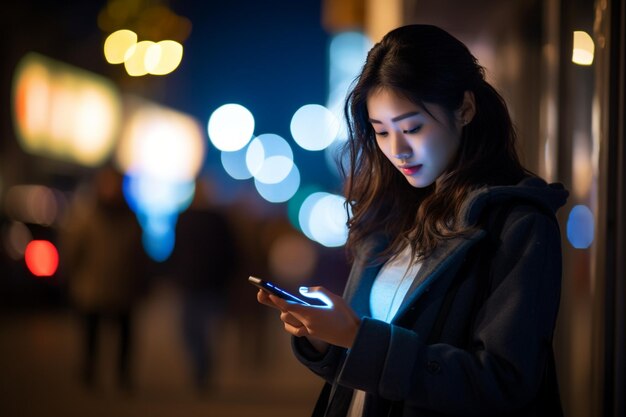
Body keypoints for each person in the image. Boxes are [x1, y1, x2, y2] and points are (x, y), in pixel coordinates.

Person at [256, 24, 568, 417]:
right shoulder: (392, 215)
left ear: (466, 109)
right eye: (381, 132)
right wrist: (325, 339)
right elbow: (366, 369)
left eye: (412, 127)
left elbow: (503, 383)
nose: (397, 150)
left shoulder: (517, 223)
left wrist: (356, 336)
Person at [60, 165, 147, 390]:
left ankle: (123, 376)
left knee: (125, 334)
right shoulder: (87, 215)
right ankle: (89, 373)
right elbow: (73, 249)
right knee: (91, 333)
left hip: (122, 285)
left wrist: (141, 280)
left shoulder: (130, 218)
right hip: (92, 285)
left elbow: (140, 253)